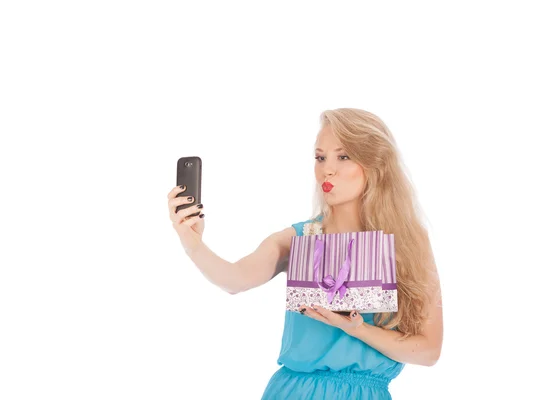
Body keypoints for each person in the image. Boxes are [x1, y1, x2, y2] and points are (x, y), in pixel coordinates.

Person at [167, 108, 443, 399]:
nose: (327, 169)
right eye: (320, 157)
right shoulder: (298, 239)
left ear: (376, 165)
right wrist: (191, 240)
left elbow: (428, 351)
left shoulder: (405, 244)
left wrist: (356, 328)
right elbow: (235, 279)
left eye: (343, 156)